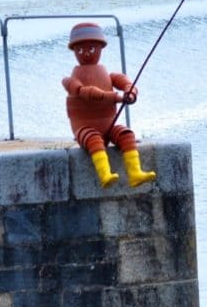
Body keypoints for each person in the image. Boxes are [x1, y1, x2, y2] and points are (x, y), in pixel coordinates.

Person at [62, 22, 156, 188]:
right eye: (81, 49)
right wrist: (116, 98)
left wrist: (130, 92)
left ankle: (135, 173)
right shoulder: (70, 81)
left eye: (92, 49)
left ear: (100, 49)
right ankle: (105, 174)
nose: (86, 53)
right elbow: (86, 93)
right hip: (84, 129)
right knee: (93, 139)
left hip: (109, 125)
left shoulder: (106, 74)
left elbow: (123, 80)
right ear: (74, 51)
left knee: (126, 134)